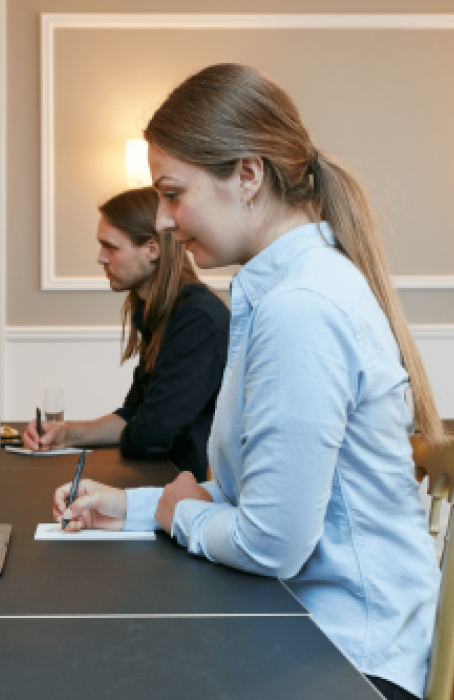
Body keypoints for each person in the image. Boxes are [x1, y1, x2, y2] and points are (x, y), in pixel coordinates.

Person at [53, 64, 448, 700]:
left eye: (173, 193)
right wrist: (133, 509)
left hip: (352, 659)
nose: (161, 219)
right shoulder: (282, 292)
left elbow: (272, 543)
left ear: (247, 175)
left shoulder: (301, 308)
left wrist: (178, 514)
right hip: (307, 629)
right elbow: (258, 494)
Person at [23, 187, 229, 482]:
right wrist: (66, 434)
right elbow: (133, 413)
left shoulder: (196, 320)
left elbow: (150, 433)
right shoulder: (156, 311)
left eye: (111, 247)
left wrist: (133, 427)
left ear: (152, 250)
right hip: (158, 479)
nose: (100, 258)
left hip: (183, 491)